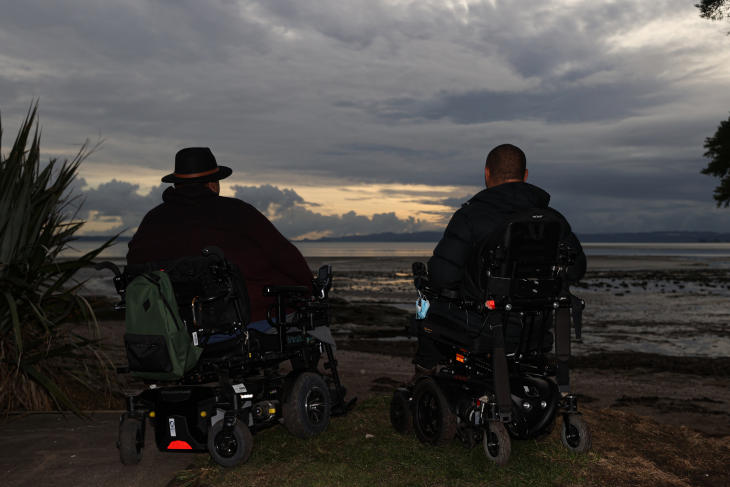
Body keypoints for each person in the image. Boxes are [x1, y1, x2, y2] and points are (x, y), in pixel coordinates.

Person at [410, 144, 587, 382]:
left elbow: (442, 278)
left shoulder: (469, 217)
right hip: (535, 327)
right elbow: (576, 270)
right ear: (525, 176)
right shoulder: (552, 219)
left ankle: (423, 376)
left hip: (483, 325)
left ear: (486, 173)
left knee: (427, 308)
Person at [127, 147, 313, 336]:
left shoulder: (151, 221)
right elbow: (287, 258)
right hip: (247, 323)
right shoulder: (237, 212)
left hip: (175, 330)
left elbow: (135, 268)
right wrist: (312, 290)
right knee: (313, 314)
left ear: (177, 185)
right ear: (213, 185)